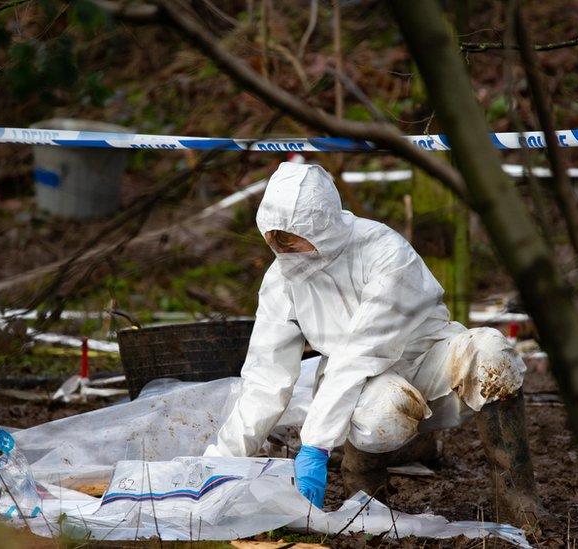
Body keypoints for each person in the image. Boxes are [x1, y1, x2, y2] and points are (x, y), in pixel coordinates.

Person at [204, 162, 540, 527]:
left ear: (322, 226)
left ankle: (516, 496)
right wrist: (221, 463)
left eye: (291, 237)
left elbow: (363, 348)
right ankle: (364, 494)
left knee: (491, 354)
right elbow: (265, 377)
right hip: (366, 386)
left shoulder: (383, 251)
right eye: (274, 238)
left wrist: (314, 444)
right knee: (383, 414)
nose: (283, 248)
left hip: (427, 356)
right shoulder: (281, 280)